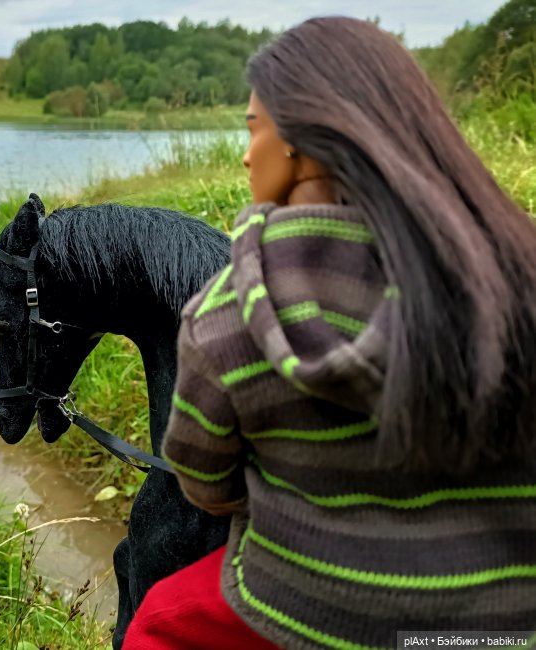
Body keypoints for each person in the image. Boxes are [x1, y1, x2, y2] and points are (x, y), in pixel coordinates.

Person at [123, 16, 536, 650]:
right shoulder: (513, 272)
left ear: (299, 143)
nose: (246, 154)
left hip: (311, 607)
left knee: (157, 621)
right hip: (501, 622)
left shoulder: (229, 309)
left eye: (254, 128)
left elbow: (205, 485)